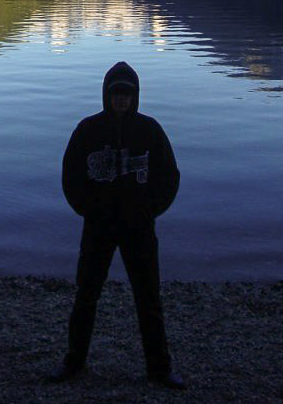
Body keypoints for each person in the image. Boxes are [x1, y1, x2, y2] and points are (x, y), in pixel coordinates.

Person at [48, 61, 186, 390]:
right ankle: (73, 362)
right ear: (107, 95)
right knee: (86, 295)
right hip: (99, 227)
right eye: (116, 93)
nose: (121, 99)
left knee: (149, 298)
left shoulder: (150, 131)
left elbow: (170, 177)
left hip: (139, 228)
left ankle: (160, 368)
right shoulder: (87, 130)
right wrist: (88, 210)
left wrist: (149, 211)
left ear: (135, 96)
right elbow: (71, 176)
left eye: (127, 93)